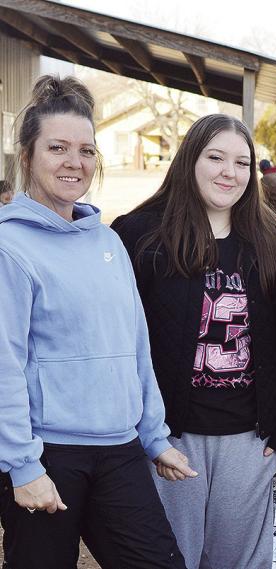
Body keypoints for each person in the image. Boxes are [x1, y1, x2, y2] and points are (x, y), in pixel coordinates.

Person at [0, 75, 193, 569]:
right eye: (57, 148)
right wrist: (23, 466)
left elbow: (135, 345)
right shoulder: (9, 247)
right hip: (47, 453)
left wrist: (154, 437)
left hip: (120, 450)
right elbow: (3, 363)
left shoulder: (107, 241)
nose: (74, 162)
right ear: (27, 157)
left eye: (86, 150)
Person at [111, 114, 276, 569]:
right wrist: (133, 434)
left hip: (249, 440)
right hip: (168, 437)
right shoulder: (140, 235)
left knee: (239, 562)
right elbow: (116, 340)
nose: (230, 172)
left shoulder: (271, 240)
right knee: (169, 558)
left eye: (242, 162)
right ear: (190, 160)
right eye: (216, 157)